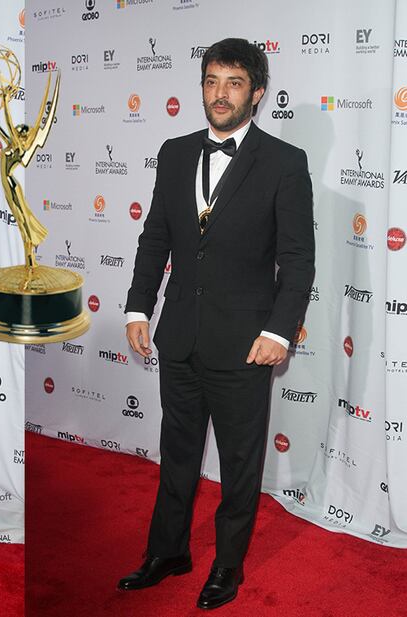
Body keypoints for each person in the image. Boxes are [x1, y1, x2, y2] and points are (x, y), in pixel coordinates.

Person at [119, 39, 314, 610]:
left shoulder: (284, 162)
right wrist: (138, 307)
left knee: (238, 465)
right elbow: (155, 236)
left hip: (246, 345)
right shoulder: (175, 152)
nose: (220, 93)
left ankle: (228, 566)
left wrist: (278, 332)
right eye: (211, 81)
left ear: (257, 92)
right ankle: (168, 552)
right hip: (179, 335)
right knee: (175, 453)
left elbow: (298, 260)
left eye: (233, 83)